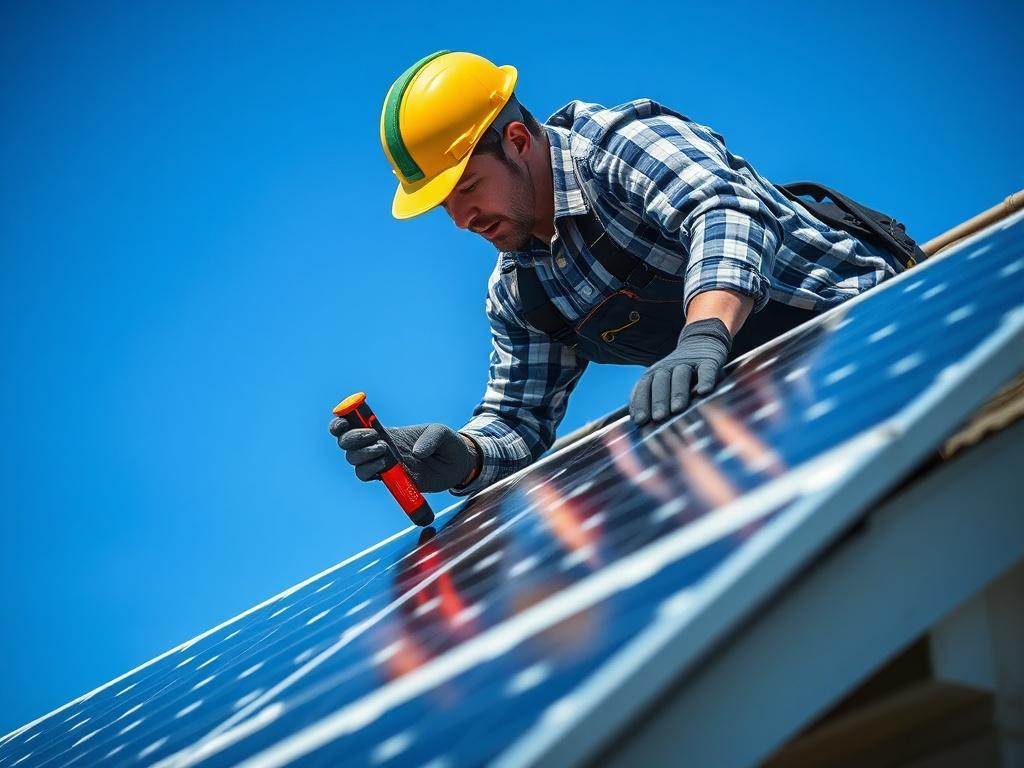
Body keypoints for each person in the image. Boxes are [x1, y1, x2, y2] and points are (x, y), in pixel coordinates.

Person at [330, 50, 909, 498]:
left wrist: (703, 336)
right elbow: (517, 420)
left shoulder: (617, 146)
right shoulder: (520, 292)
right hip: (781, 422)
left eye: (469, 188)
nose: (461, 220)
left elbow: (723, 211)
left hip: (879, 334)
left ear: (517, 139)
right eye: (442, 205)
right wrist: (465, 456)